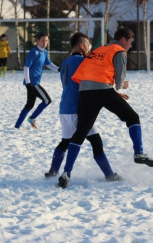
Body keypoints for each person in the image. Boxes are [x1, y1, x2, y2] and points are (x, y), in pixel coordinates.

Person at [58, 26, 153, 189]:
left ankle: (66, 173)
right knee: (133, 117)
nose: (130, 46)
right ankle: (139, 152)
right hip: (102, 90)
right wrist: (117, 86)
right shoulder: (118, 50)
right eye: (131, 43)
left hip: (85, 91)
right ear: (123, 40)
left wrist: (105, 88)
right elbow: (119, 82)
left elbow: (84, 75)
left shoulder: (98, 50)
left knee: (80, 133)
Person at [45, 32, 121, 186]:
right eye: (88, 45)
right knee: (96, 141)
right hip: (77, 108)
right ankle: (109, 175)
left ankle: (53, 171)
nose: (89, 48)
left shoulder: (66, 62)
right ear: (81, 46)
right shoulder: (82, 61)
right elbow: (93, 81)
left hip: (65, 107)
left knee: (66, 141)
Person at [14, 33, 59, 129]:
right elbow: (26, 67)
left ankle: (17, 125)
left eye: (46, 40)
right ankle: (31, 118)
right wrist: (28, 83)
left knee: (29, 104)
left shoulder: (45, 52)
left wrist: (58, 69)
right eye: (43, 40)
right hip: (33, 83)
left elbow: (49, 64)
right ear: (38, 41)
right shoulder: (34, 52)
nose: (45, 42)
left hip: (34, 83)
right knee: (47, 100)